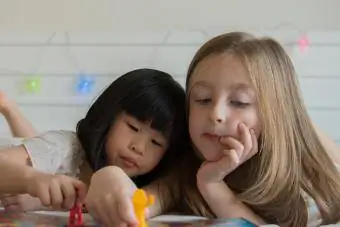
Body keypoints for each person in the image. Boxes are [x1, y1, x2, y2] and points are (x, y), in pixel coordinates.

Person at [84, 32, 340, 227]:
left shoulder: (306, 184)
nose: (215, 114)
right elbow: (138, 206)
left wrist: (212, 185)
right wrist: (108, 177)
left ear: (275, 115)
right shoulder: (184, 170)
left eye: (239, 102)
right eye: (203, 99)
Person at [0, 68, 188, 214]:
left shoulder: (148, 185)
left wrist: (42, 201)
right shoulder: (66, 148)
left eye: (156, 143)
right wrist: (34, 181)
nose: (138, 147)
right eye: (133, 128)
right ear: (108, 116)